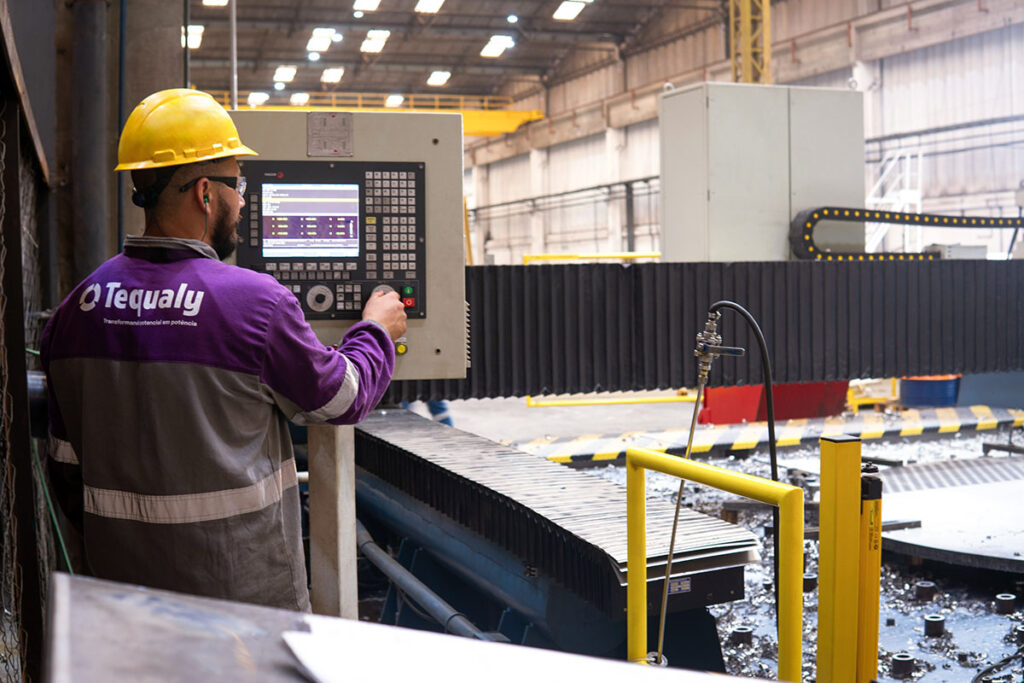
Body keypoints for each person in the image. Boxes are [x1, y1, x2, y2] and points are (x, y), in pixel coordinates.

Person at [40, 88, 406, 611]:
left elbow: (65, 469)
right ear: (205, 193)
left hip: (124, 604)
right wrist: (376, 331)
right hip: (245, 605)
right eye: (239, 184)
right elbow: (341, 397)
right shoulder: (254, 304)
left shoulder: (76, 310)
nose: (244, 200)